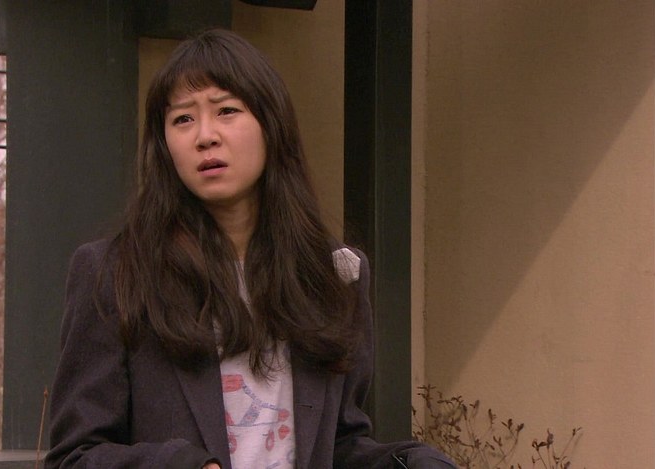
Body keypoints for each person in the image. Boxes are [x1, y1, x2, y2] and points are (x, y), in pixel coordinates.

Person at [44, 29, 455, 469]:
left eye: (226, 110)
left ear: (271, 124)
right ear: (164, 145)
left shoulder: (333, 274)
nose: (205, 136)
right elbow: (75, 457)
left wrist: (411, 462)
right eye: (182, 119)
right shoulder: (114, 272)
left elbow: (336, 445)